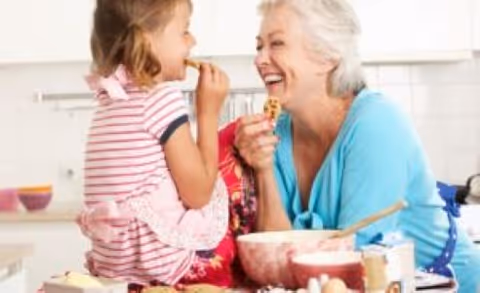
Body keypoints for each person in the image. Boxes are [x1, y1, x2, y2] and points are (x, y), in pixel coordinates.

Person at [234, 0, 480, 292]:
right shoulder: (278, 134)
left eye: (277, 44)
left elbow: (354, 263)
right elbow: (274, 260)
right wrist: (262, 170)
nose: (260, 59)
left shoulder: (376, 124)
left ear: (327, 57)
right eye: (259, 46)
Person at [75, 0, 256, 290]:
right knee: (235, 175)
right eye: (184, 31)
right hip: (165, 265)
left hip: (116, 269)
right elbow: (199, 194)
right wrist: (208, 112)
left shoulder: (109, 100)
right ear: (147, 42)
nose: (192, 40)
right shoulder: (160, 97)